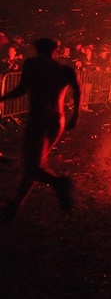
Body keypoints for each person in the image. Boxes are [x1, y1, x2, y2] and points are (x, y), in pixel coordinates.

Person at [0, 38, 81, 221]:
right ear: (55, 51)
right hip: (57, 121)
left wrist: (3, 99)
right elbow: (78, 89)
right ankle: (15, 205)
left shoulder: (32, 65)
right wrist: (76, 115)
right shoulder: (64, 70)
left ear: (37, 49)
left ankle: (59, 183)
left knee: (32, 165)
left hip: (39, 120)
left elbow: (22, 89)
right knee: (36, 164)